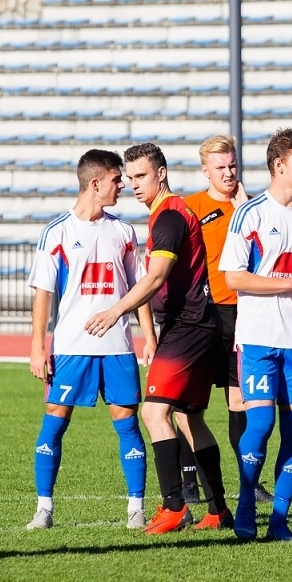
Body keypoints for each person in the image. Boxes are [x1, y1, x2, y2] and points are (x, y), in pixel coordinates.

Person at [85, 142, 231, 534]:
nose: (134, 184)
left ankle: (174, 506)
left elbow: (155, 278)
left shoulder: (168, 217)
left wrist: (115, 311)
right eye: (129, 177)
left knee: (153, 413)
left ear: (161, 173)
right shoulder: (172, 212)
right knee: (189, 417)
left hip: (188, 328)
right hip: (202, 324)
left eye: (141, 176)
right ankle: (218, 510)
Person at [24, 150, 152, 532]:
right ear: (95, 184)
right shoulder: (57, 232)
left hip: (116, 347)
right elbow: (43, 293)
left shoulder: (123, 232)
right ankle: (44, 508)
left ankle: (136, 507)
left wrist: (149, 338)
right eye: (117, 180)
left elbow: (139, 287)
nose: (123, 187)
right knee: (54, 423)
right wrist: (37, 346)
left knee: (127, 422)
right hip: (71, 347)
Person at [218, 129, 292, 541]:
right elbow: (232, 277)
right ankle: (247, 506)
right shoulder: (251, 215)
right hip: (260, 338)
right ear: (279, 166)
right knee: (260, 424)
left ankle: (279, 522)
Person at [183, 135, 257, 502]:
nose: (228, 173)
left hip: (242, 315)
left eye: (232, 166)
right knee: (189, 403)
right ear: (205, 171)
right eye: (220, 167)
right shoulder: (190, 207)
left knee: (240, 401)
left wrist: (245, 210)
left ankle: (249, 481)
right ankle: (189, 483)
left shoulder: (253, 207)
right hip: (203, 315)